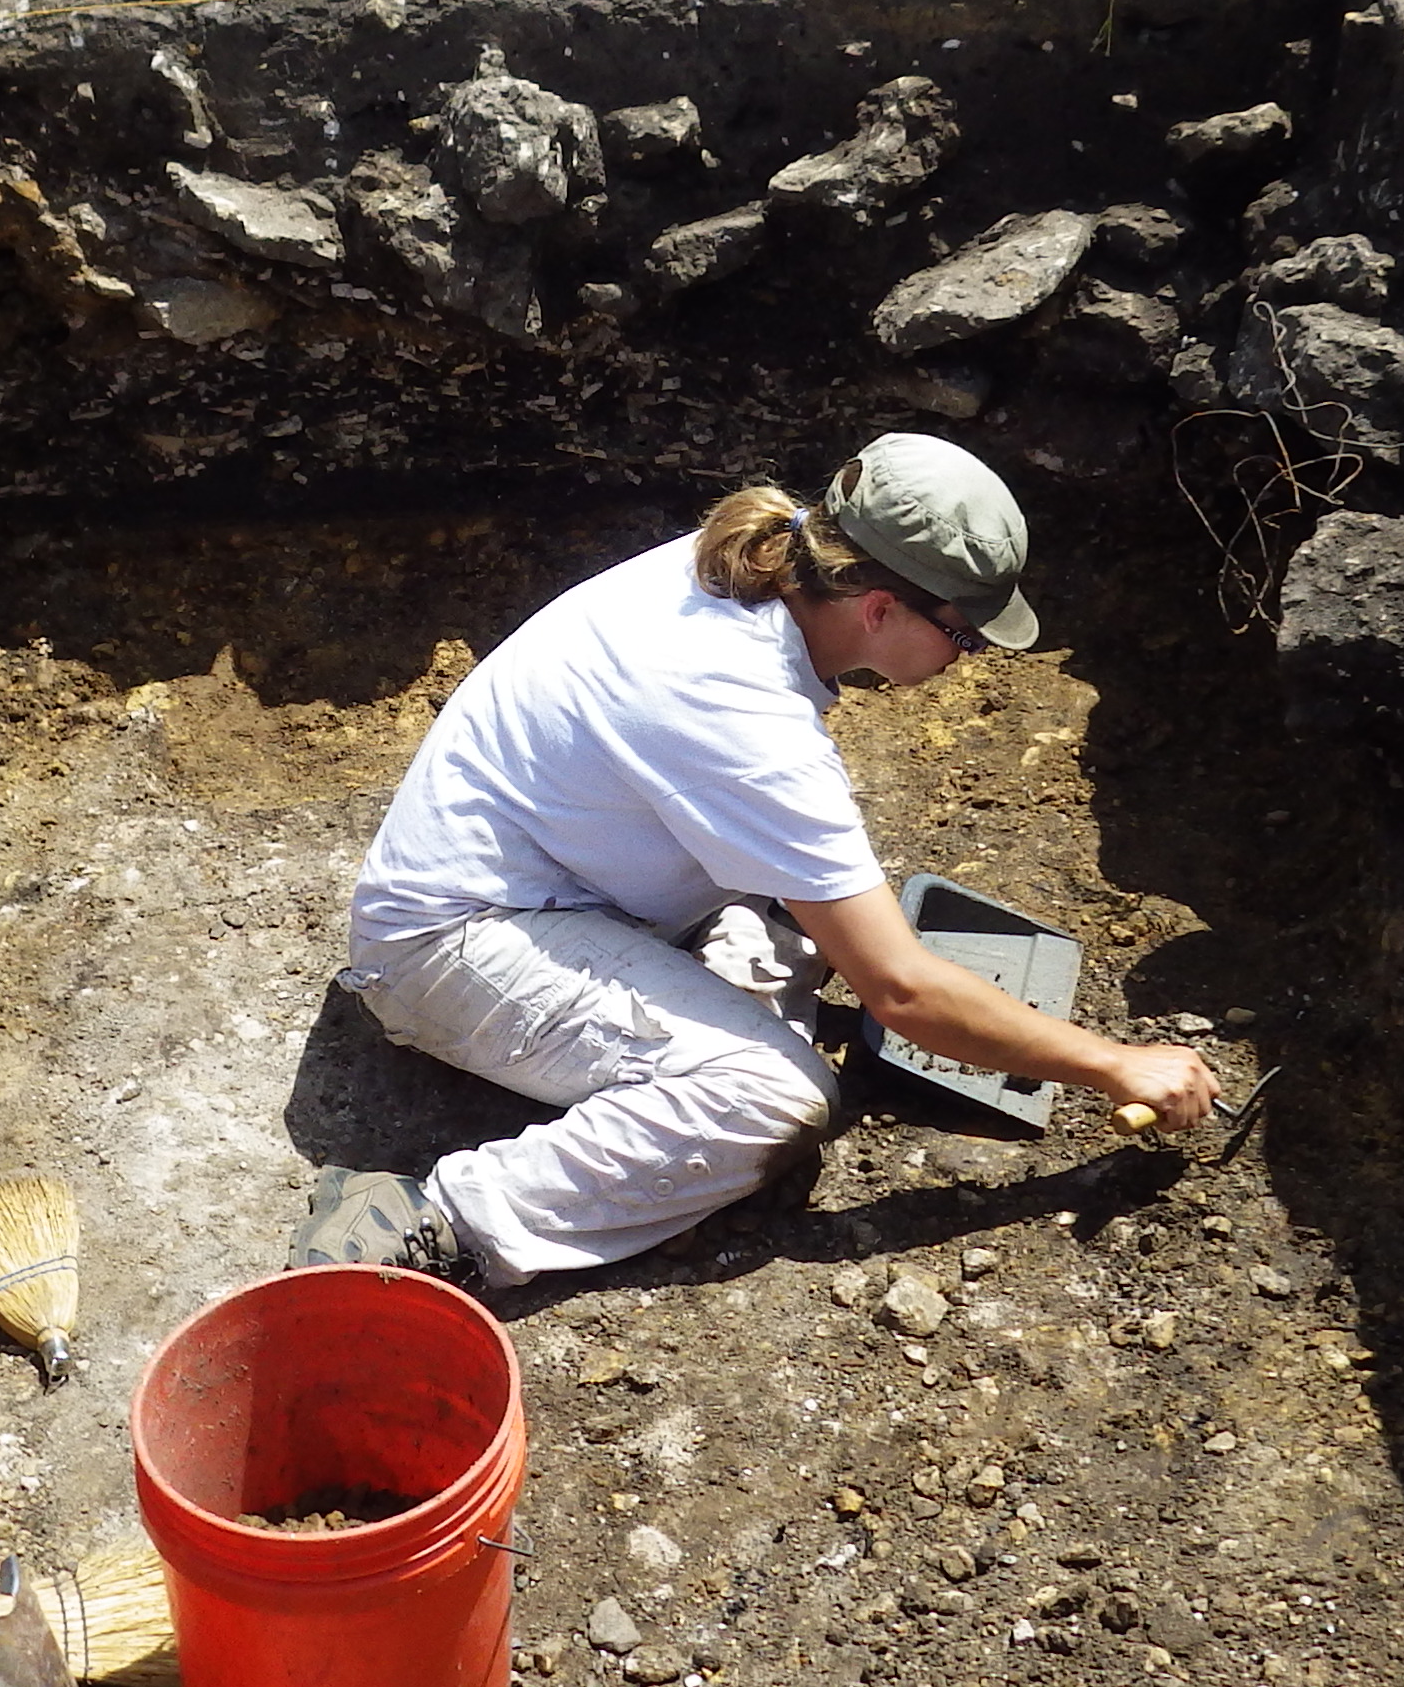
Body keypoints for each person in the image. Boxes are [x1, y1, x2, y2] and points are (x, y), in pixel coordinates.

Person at [288, 432, 1223, 1286]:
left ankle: (675, 1129)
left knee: (802, 922)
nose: (970, 655)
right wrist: (1115, 1066)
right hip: (449, 946)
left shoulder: (766, 553)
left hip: (560, 875)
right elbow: (901, 993)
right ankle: (431, 1223)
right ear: (881, 606)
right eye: (965, 633)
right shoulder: (739, 714)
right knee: (774, 1098)